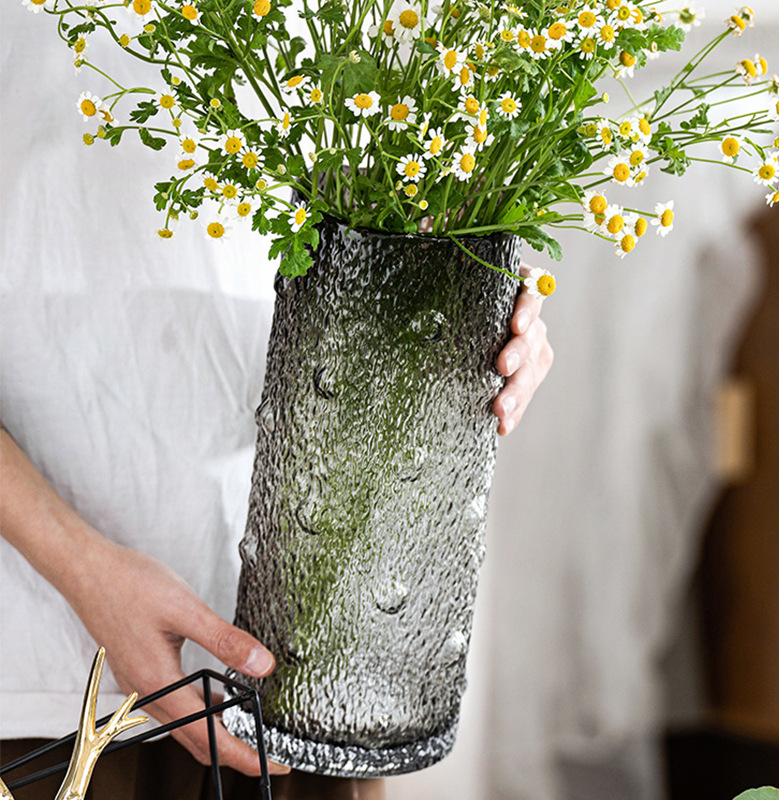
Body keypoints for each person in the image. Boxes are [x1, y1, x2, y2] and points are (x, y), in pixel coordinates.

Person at [0, 5, 553, 798]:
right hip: (44, 676)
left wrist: (486, 297)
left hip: (313, 650)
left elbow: (412, 175)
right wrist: (84, 572)